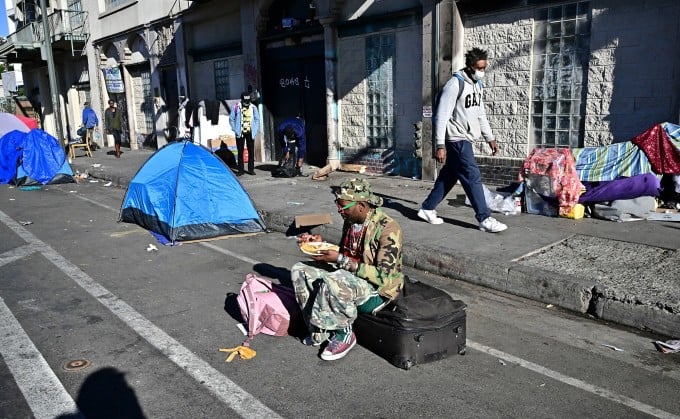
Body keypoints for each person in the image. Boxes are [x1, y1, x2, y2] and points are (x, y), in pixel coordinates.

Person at [292, 178, 404, 361]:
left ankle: (344, 333)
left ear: (361, 205)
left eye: (343, 206)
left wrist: (342, 260)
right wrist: (319, 244)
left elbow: (384, 276)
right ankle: (319, 329)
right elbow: (347, 253)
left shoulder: (388, 229)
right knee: (301, 270)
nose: (339, 210)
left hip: (378, 291)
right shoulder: (351, 220)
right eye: (337, 204)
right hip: (351, 276)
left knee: (334, 280)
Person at [418, 47, 507, 233]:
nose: (482, 72)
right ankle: (484, 218)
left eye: (484, 68)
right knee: (472, 175)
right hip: (457, 138)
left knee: (449, 176)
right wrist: (440, 144)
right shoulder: (454, 85)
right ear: (469, 67)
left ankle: (427, 208)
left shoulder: (477, 85)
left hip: (466, 138)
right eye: (479, 68)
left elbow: (480, 114)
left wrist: (490, 138)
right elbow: (441, 116)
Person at [229, 92, 260, 176]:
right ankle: (240, 170)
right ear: (242, 100)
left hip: (250, 133)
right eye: (245, 101)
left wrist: (255, 130)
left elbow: (257, 119)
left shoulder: (253, 107)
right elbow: (231, 119)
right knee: (240, 151)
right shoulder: (236, 107)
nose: (246, 103)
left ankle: (251, 169)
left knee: (251, 151)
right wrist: (235, 129)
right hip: (240, 133)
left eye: (248, 101)